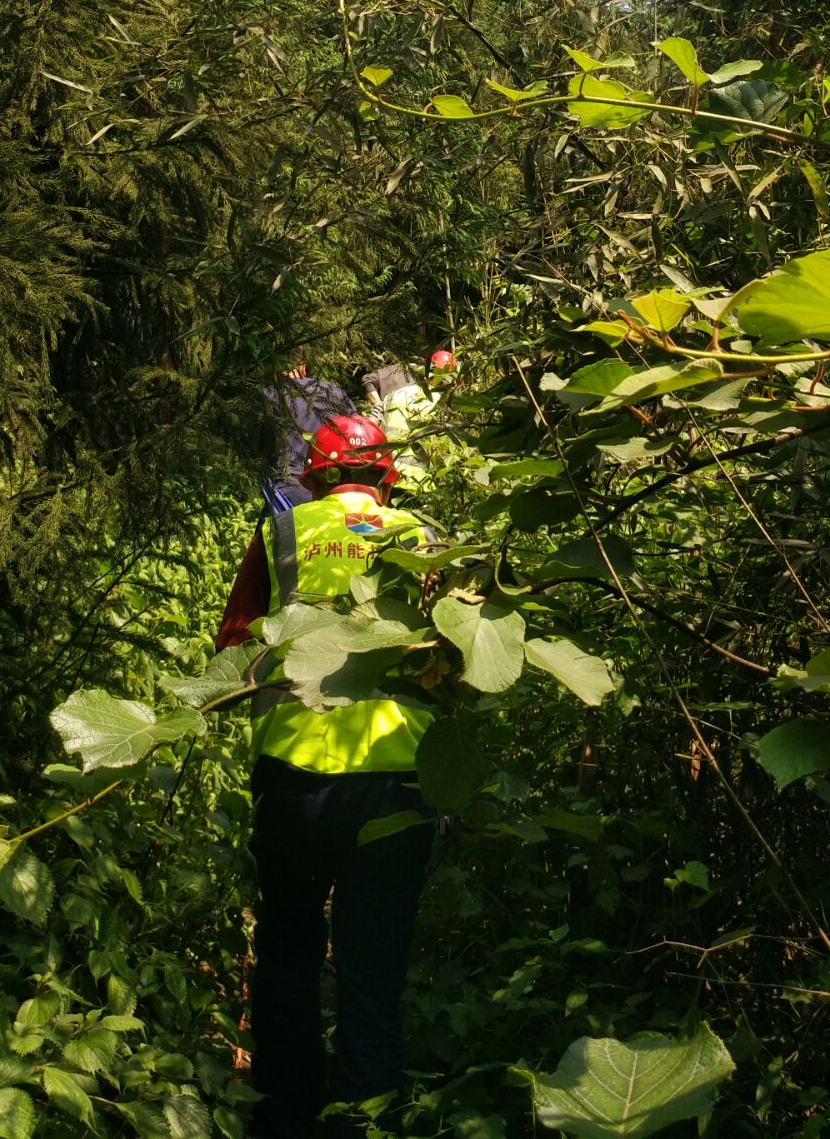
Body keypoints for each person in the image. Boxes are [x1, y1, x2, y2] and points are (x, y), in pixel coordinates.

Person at [217, 413, 435, 1139]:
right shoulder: (425, 537)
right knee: (374, 977)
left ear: (315, 476)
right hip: (398, 783)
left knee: (287, 954)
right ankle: (366, 1125)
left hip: (295, 776)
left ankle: (284, 1117)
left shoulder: (284, 532)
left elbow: (235, 643)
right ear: (385, 476)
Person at [261, 347, 357, 512]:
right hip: (334, 482)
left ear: (278, 370)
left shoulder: (270, 394)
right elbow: (357, 433)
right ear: (303, 368)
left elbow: (260, 448)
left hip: (289, 486)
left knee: (288, 528)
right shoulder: (335, 393)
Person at [363, 351, 458, 489]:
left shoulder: (397, 394)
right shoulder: (439, 403)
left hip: (385, 470)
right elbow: (439, 447)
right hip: (418, 477)